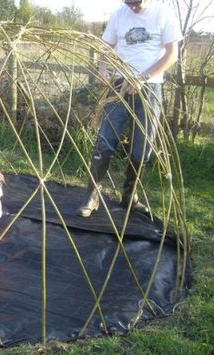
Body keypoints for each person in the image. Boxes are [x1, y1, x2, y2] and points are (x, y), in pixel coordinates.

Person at [77, 0, 183, 217]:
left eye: (136, 3)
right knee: (104, 141)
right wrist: (103, 68)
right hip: (119, 85)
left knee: (142, 148)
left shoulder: (164, 13)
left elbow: (172, 54)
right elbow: (106, 48)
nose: (132, 8)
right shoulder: (119, 14)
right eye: (129, 3)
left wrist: (142, 78)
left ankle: (130, 197)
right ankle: (92, 197)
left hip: (150, 87)